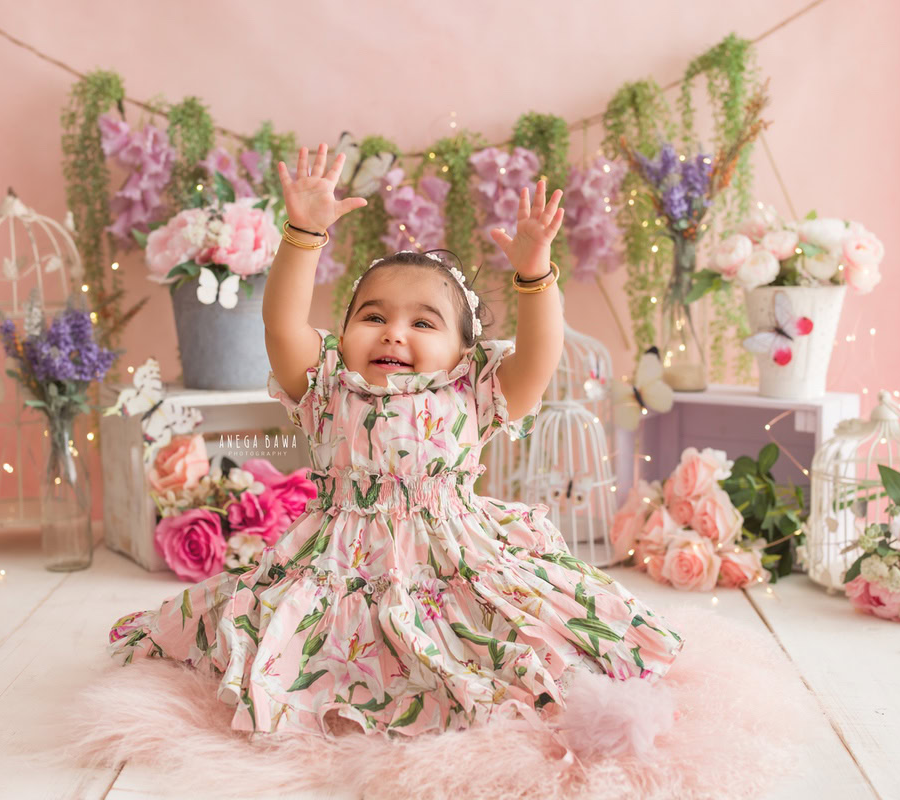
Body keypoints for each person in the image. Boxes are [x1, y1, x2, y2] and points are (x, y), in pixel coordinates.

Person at [106, 141, 684, 754]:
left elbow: (541, 356)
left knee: (507, 636)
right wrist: (303, 235)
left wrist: (535, 276)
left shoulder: (475, 388)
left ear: (464, 351)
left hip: (454, 554)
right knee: (297, 638)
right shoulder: (328, 384)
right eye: (373, 317)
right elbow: (280, 324)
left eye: (423, 323)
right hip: (339, 560)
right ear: (342, 334)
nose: (393, 334)